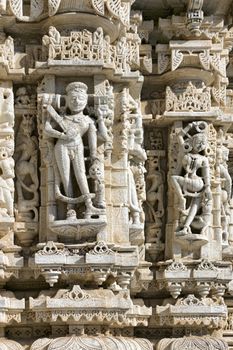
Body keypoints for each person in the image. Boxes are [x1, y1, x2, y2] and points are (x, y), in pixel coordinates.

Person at [45, 82, 103, 219]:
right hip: (61, 146)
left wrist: (94, 158)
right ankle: (70, 209)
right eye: (73, 99)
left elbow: (93, 143)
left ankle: (89, 204)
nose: (77, 102)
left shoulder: (88, 120)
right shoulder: (62, 118)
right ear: (67, 100)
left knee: (81, 174)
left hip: (78, 146)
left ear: (86, 100)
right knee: (66, 178)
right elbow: (46, 129)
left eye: (81, 99)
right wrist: (62, 135)